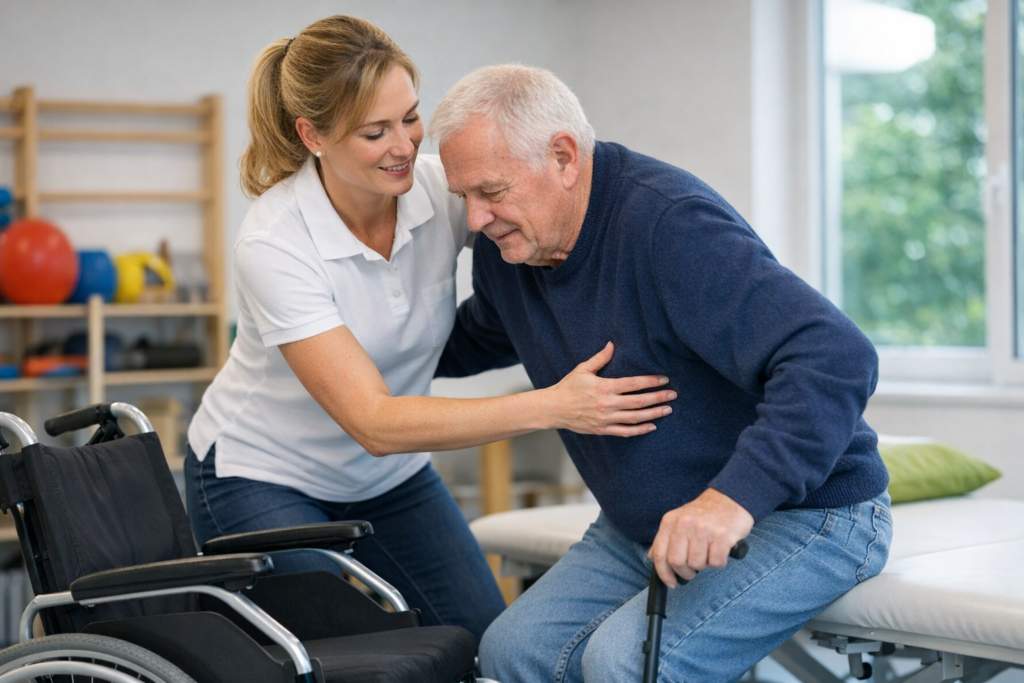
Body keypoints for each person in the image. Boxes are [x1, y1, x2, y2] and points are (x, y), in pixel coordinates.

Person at [184, 18, 676, 646]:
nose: (404, 146)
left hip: (388, 482)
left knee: (477, 642)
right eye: (375, 131)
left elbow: (547, 225)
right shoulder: (275, 243)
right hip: (260, 476)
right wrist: (555, 406)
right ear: (312, 135)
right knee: (346, 652)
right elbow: (376, 424)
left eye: (410, 118)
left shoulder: (441, 191)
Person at [430, 63, 893, 682]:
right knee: (514, 650)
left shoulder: (669, 226)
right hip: (643, 528)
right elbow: (469, 341)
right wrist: (330, 345)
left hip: (809, 515)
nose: (477, 220)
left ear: (563, 158)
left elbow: (836, 355)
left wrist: (730, 500)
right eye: (464, 197)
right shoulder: (511, 252)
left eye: (490, 192)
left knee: (624, 662)